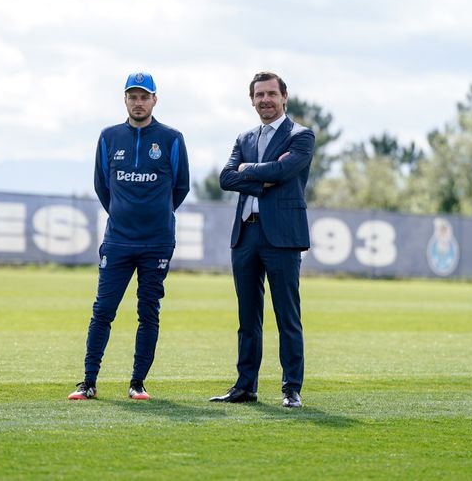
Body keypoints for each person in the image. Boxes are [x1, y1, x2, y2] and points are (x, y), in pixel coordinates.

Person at [68, 72, 190, 401]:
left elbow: (181, 187)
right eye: (132, 96)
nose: (138, 102)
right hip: (118, 241)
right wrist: (122, 213)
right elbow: (101, 185)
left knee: (148, 311)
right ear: (125, 99)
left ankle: (137, 383)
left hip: (157, 242)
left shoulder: (171, 138)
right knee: (103, 310)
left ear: (154, 100)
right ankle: (89, 382)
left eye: (144, 96)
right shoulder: (108, 137)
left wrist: (157, 213)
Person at [210, 71, 315, 408]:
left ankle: (291, 388)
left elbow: (284, 173)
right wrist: (260, 177)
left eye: (271, 94)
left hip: (282, 237)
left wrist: (248, 171)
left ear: (285, 97)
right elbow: (226, 178)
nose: (265, 100)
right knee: (248, 317)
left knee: (287, 315)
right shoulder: (244, 138)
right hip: (246, 234)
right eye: (259, 95)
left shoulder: (301, 136)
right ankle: (245, 387)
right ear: (252, 100)